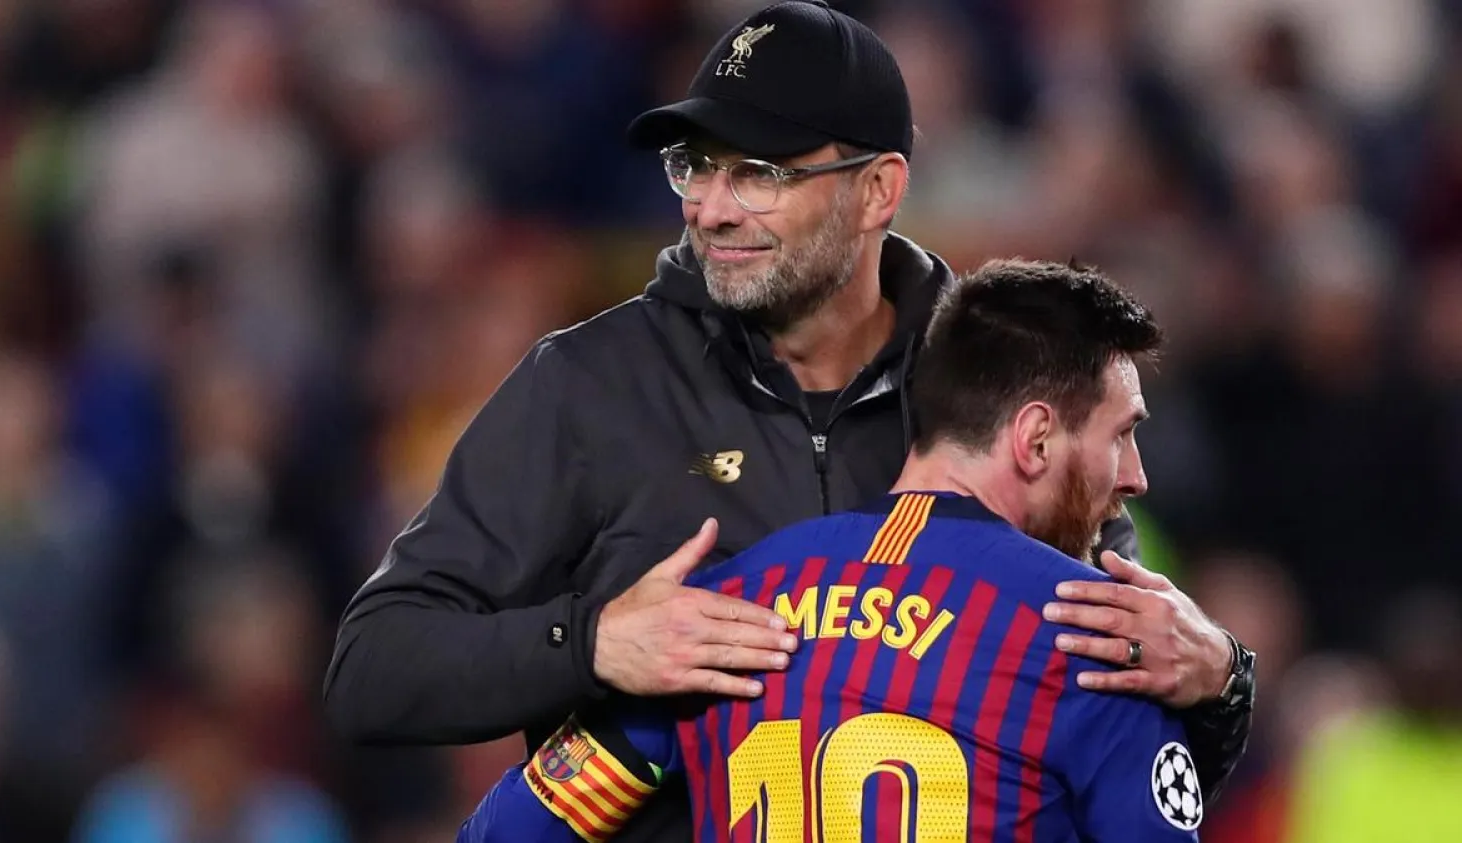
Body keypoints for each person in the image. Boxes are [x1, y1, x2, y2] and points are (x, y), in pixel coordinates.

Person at [323, 3, 1255, 839]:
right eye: (696, 166)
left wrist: (1218, 680)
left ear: (878, 191)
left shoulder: (993, 385)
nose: (710, 208)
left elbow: (1111, 727)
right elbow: (374, 670)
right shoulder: (590, 386)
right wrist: (596, 640)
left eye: (759, 172)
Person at [456, 259, 1208, 842]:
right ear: (1035, 437)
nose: (1136, 474)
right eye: (1123, 432)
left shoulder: (722, 616)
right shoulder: (1090, 633)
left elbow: (508, 831)